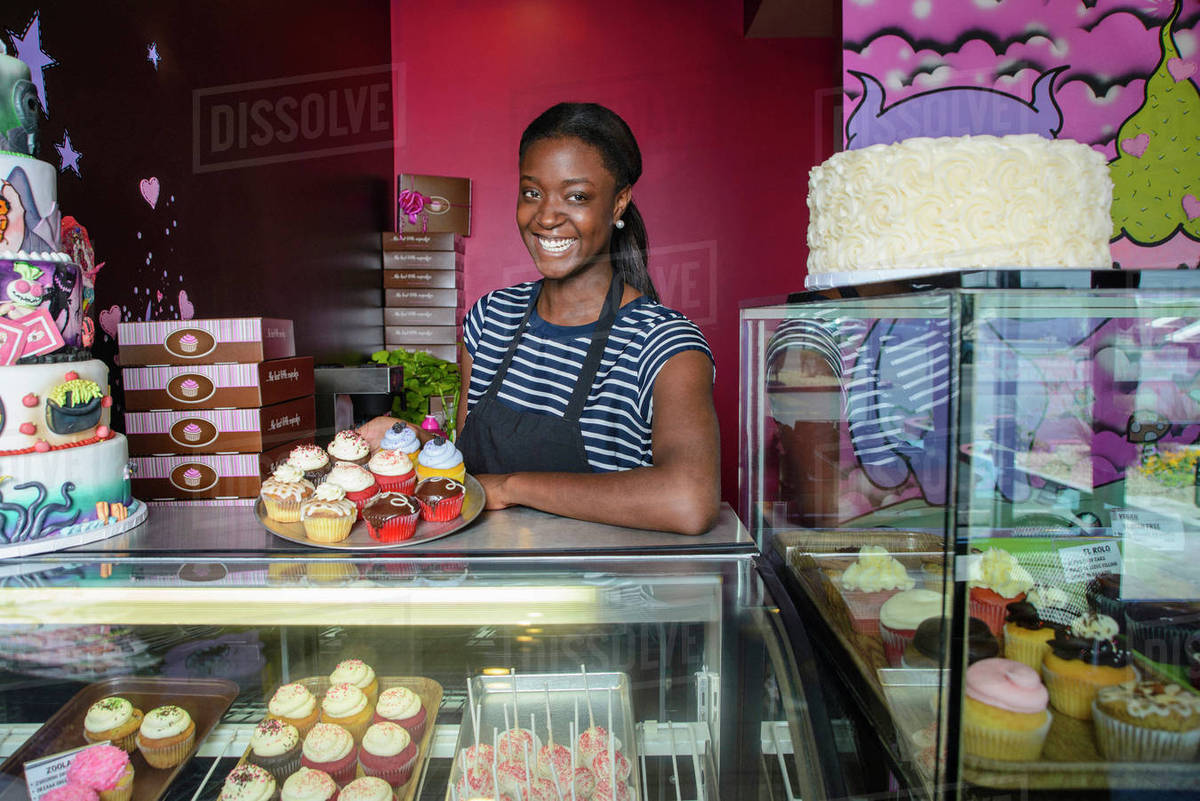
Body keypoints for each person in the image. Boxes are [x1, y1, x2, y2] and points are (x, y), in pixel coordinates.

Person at [361, 102, 719, 534]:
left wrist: (513, 487)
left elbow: (689, 500)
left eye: (577, 196)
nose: (546, 217)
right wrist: (413, 441)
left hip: (604, 593)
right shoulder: (490, 319)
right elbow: (468, 473)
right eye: (532, 192)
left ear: (619, 202)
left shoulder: (663, 345)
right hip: (485, 585)